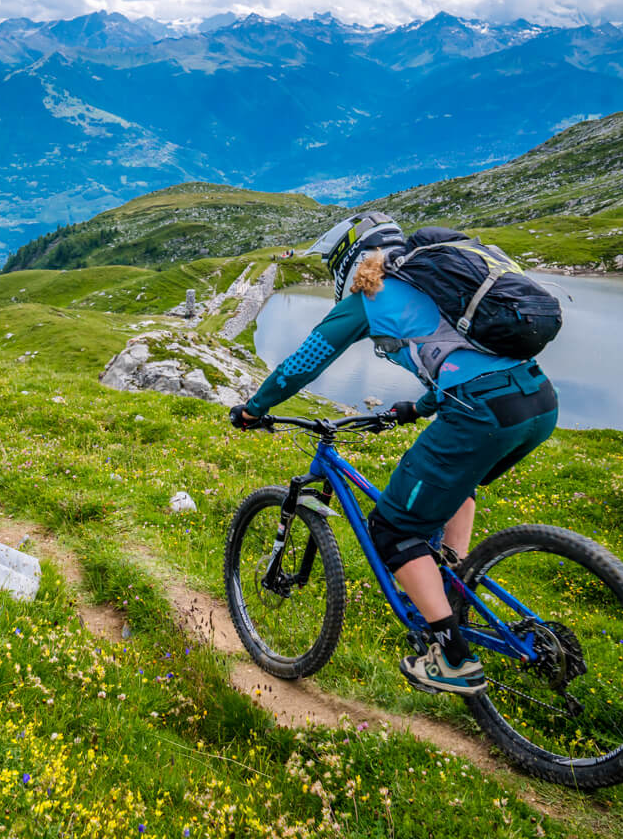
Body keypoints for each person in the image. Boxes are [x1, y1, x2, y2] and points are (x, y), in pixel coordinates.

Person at [229, 212, 558, 696]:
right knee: (457, 489)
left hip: (481, 412)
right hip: (536, 402)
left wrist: (255, 409)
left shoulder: (369, 297)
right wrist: (416, 407)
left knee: (393, 529)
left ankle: (451, 656)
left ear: (346, 258)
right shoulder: (430, 281)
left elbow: (302, 363)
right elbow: (458, 355)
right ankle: (451, 586)